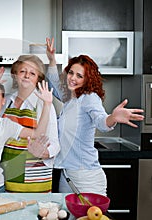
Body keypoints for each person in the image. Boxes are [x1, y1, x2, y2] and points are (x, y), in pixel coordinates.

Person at [44, 37, 144, 195]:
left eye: (79, 76)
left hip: (86, 177)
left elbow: (101, 122)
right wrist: (51, 60)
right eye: (71, 73)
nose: (73, 78)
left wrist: (113, 117)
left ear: (87, 80)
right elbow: (54, 85)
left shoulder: (89, 97)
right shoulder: (71, 98)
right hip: (67, 174)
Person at [0, 55, 60, 193]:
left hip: (35, 176)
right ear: (15, 75)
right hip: (8, 174)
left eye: (32, 73)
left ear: (38, 79)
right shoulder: (7, 101)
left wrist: (44, 152)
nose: (27, 75)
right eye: (23, 71)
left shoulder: (43, 103)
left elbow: (55, 143)